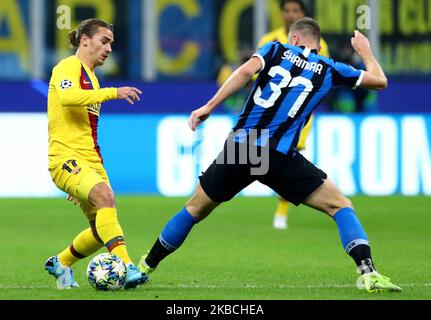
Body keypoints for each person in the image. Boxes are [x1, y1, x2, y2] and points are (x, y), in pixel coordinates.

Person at [138, 18, 402, 293]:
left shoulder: (275, 49)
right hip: (280, 156)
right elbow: (380, 81)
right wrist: (365, 51)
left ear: (296, 40)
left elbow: (244, 72)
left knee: (193, 209)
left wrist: (209, 106)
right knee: (340, 206)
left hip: (243, 146)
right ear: (318, 43)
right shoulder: (330, 69)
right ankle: (368, 273)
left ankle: (144, 267)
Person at [44, 18, 147, 289]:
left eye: (112, 43)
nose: (109, 48)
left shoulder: (92, 77)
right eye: (105, 41)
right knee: (104, 196)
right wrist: (112, 92)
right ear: (84, 40)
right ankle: (127, 266)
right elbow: (67, 98)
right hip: (65, 157)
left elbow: (85, 128)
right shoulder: (68, 67)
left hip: (88, 160)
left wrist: (85, 178)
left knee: (101, 228)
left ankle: (61, 262)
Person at [258, 0, 330, 230]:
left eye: (295, 11)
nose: (290, 15)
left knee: (288, 159)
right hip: (270, 115)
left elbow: (323, 76)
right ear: (280, 13)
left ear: (302, 14)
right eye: (287, 10)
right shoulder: (269, 40)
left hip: (298, 115)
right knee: (267, 162)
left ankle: (281, 211)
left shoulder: (320, 44)